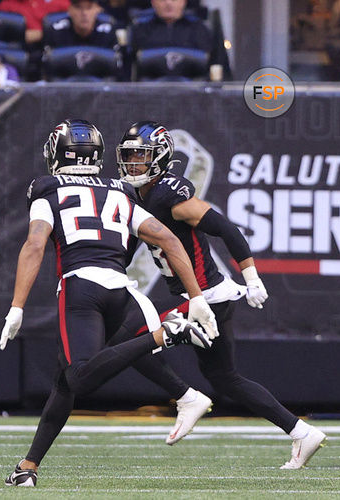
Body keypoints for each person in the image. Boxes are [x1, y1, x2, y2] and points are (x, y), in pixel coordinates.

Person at [0, 119, 218, 487]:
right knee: (63, 384)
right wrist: (196, 296)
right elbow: (169, 240)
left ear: (55, 153)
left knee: (79, 377)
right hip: (122, 288)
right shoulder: (120, 190)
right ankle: (28, 467)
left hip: (82, 287)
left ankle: (167, 334)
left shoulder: (46, 188)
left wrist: (17, 306)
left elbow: (35, 244)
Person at [114, 120, 327, 469]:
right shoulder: (137, 195)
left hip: (205, 298)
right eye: (130, 155)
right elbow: (131, 244)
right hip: (205, 298)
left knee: (126, 342)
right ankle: (301, 432)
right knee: (225, 378)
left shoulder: (169, 195)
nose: (134, 162)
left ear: (161, 157)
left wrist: (253, 277)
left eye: (141, 155)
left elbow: (226, 228)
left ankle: (186, 397)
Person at [42, 0, 117, 49]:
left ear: (97, 9)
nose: (84, 13)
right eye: (78, 8)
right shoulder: (56, 32)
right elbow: (47, 69)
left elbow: (116, 70)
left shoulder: (108, 32)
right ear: (70, 10)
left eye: (89, 8)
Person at [0, 0, 70, 44]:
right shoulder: (6, 6)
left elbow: (73, 10)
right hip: (29, 50)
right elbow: (9, 37)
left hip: (56, 43)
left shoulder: (48, 2)